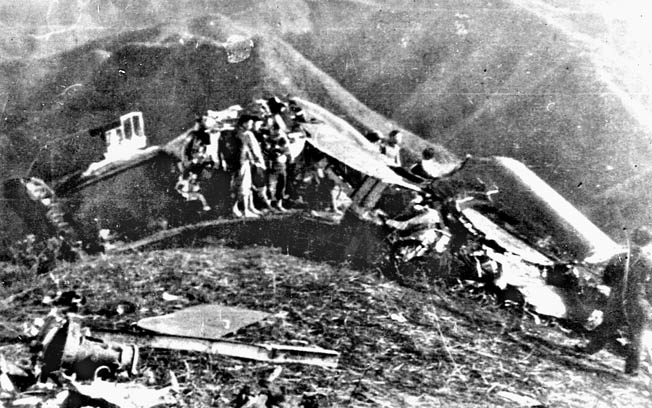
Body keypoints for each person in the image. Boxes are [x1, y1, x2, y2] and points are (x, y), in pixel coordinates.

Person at [581, 226, 652, 375]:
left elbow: (607, 278)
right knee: (637, 336)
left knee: (608, 325)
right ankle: (632, 369)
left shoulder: (621, 256)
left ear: (633, 238)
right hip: (639, 302)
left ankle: (589, 349)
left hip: (619, 298)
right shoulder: (649, 262)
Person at [232, 115, 261, 218]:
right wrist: (257, 159)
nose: (251, 125)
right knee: (243, 185)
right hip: (241, 162)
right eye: (250, 123)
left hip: (243, 161)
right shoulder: (243, 134)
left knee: (246, 185)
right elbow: (252, 148)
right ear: (244, 123)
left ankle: (248, 208)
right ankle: (245, 210)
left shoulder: (238, 133)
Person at [267, 135, 292, 211]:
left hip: (282, 168)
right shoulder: (275, 150)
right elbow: (273, 157)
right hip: (274, 169)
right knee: (271, 187)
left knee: (281, 187)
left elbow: (290, 160)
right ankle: (268, 204)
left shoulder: (286, 151)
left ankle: (279, 204)